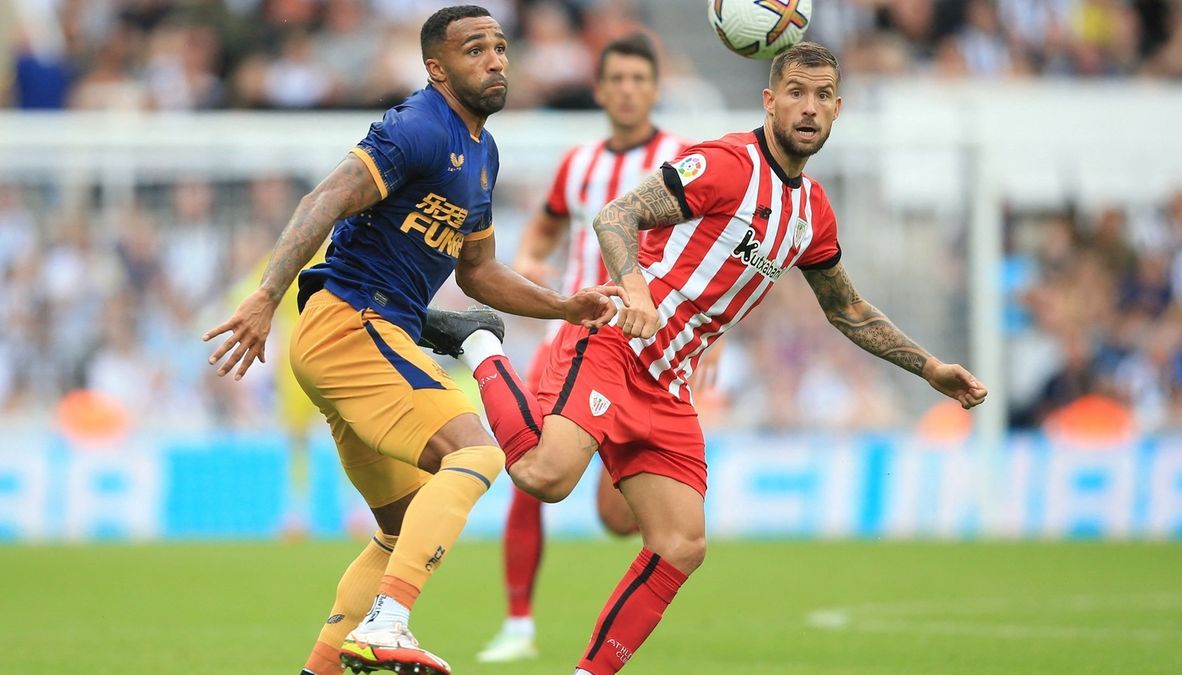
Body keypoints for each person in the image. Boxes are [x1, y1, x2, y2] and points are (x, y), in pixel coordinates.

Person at [420, 42, 989, 674]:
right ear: (770, 102)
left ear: (838, 108)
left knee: (681, 543)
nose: (808, 108)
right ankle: (480, 341)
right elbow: (617, 215)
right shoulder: (725, 164)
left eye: (822, 96)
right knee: (546, 479)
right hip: (615, 344)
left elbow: (847, 310)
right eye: (795, 93)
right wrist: (633, 287)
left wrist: (930, 367)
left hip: (669, 384)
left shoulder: (812, 213)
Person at [201, 6, 621, 675]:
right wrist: (265, 291)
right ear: (437, 67)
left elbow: (478, 272)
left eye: (501, 47)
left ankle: (322, 666)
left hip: (351, 338)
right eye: (475, 49)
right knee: (479, 453)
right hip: (353, 324)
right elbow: (326, 198)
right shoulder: (419, 126)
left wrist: (563, 304)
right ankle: (389, 620)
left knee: (399, 528)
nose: (495, 60)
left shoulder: (481, 153)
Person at [475, 32, 699, 664]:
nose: (628, 90)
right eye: (617, 79)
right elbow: (541, 233)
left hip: (655, 353)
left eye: (639, 80)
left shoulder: (685, 161)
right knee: (536, 475)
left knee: (621, 519)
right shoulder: (579, 165)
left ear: (654, 90)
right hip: (574, 338)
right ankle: (518, 623)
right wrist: (532, 280)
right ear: (600, 90)